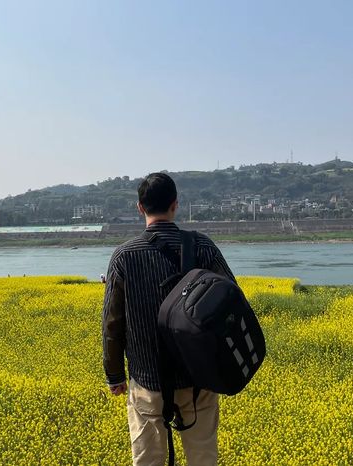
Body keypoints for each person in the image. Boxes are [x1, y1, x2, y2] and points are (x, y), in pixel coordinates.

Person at [102, 172, 236, 466]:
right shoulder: (203, 247)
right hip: (199, 379)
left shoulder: (124, 256)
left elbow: (113, 323)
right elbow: (232, 299)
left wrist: (114, 375)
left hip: (147, 381)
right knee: (203, 459)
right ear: (176, 205)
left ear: (139, 207)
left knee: (148, 460)